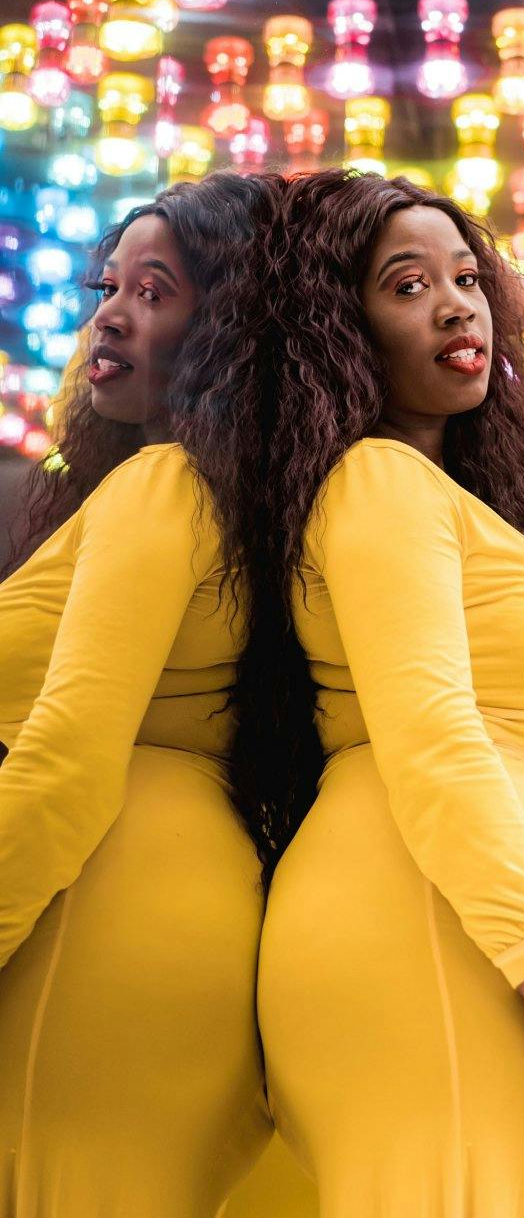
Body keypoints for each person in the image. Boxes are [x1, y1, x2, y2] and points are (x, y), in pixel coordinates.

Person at [252, 169, 524, 1216]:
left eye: (468, 280)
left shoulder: (471, 508)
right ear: (337, 333)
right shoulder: (378, 485)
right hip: (422, 916)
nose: (457, 304)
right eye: (403, 287)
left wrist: (447, 235)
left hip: (491, 927)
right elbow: (440, 752)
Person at [0, 173, 323, 1216]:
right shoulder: (195, 487)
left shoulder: (160, 484)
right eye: (109, 285)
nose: (109, 310)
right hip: (150, 895)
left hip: (99, 897)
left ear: (226, 335)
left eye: (155, 290)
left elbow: (65, 761)